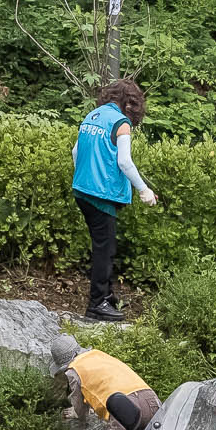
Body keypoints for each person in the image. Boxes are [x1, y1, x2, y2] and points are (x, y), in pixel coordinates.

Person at [71, 80, 157, 324]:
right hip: (101, 195)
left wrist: (85, 176)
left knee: (103, 245)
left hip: (82, 190)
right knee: (105, 250)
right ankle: (97, 305)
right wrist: (144, 190)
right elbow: (124, 163)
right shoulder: (121, 123)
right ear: (129, 103)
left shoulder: (93, 115)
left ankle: (107, 295)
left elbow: (76, 152)